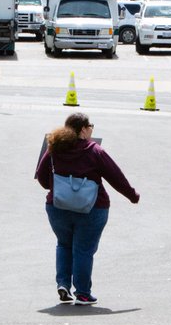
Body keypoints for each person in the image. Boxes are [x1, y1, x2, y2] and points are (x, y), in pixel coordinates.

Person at [35, 112, 140, 306]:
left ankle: (63, 285)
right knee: (83, 249)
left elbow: (41, 178)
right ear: (83, 129)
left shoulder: (53, 148)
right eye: (90, 126)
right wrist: (132, 196)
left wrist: (61, 191)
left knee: (64, 244)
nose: (92, 129)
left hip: (58, 207)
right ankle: (83, 293)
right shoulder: (94, 151)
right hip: (92, 208)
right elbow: (116, 177)